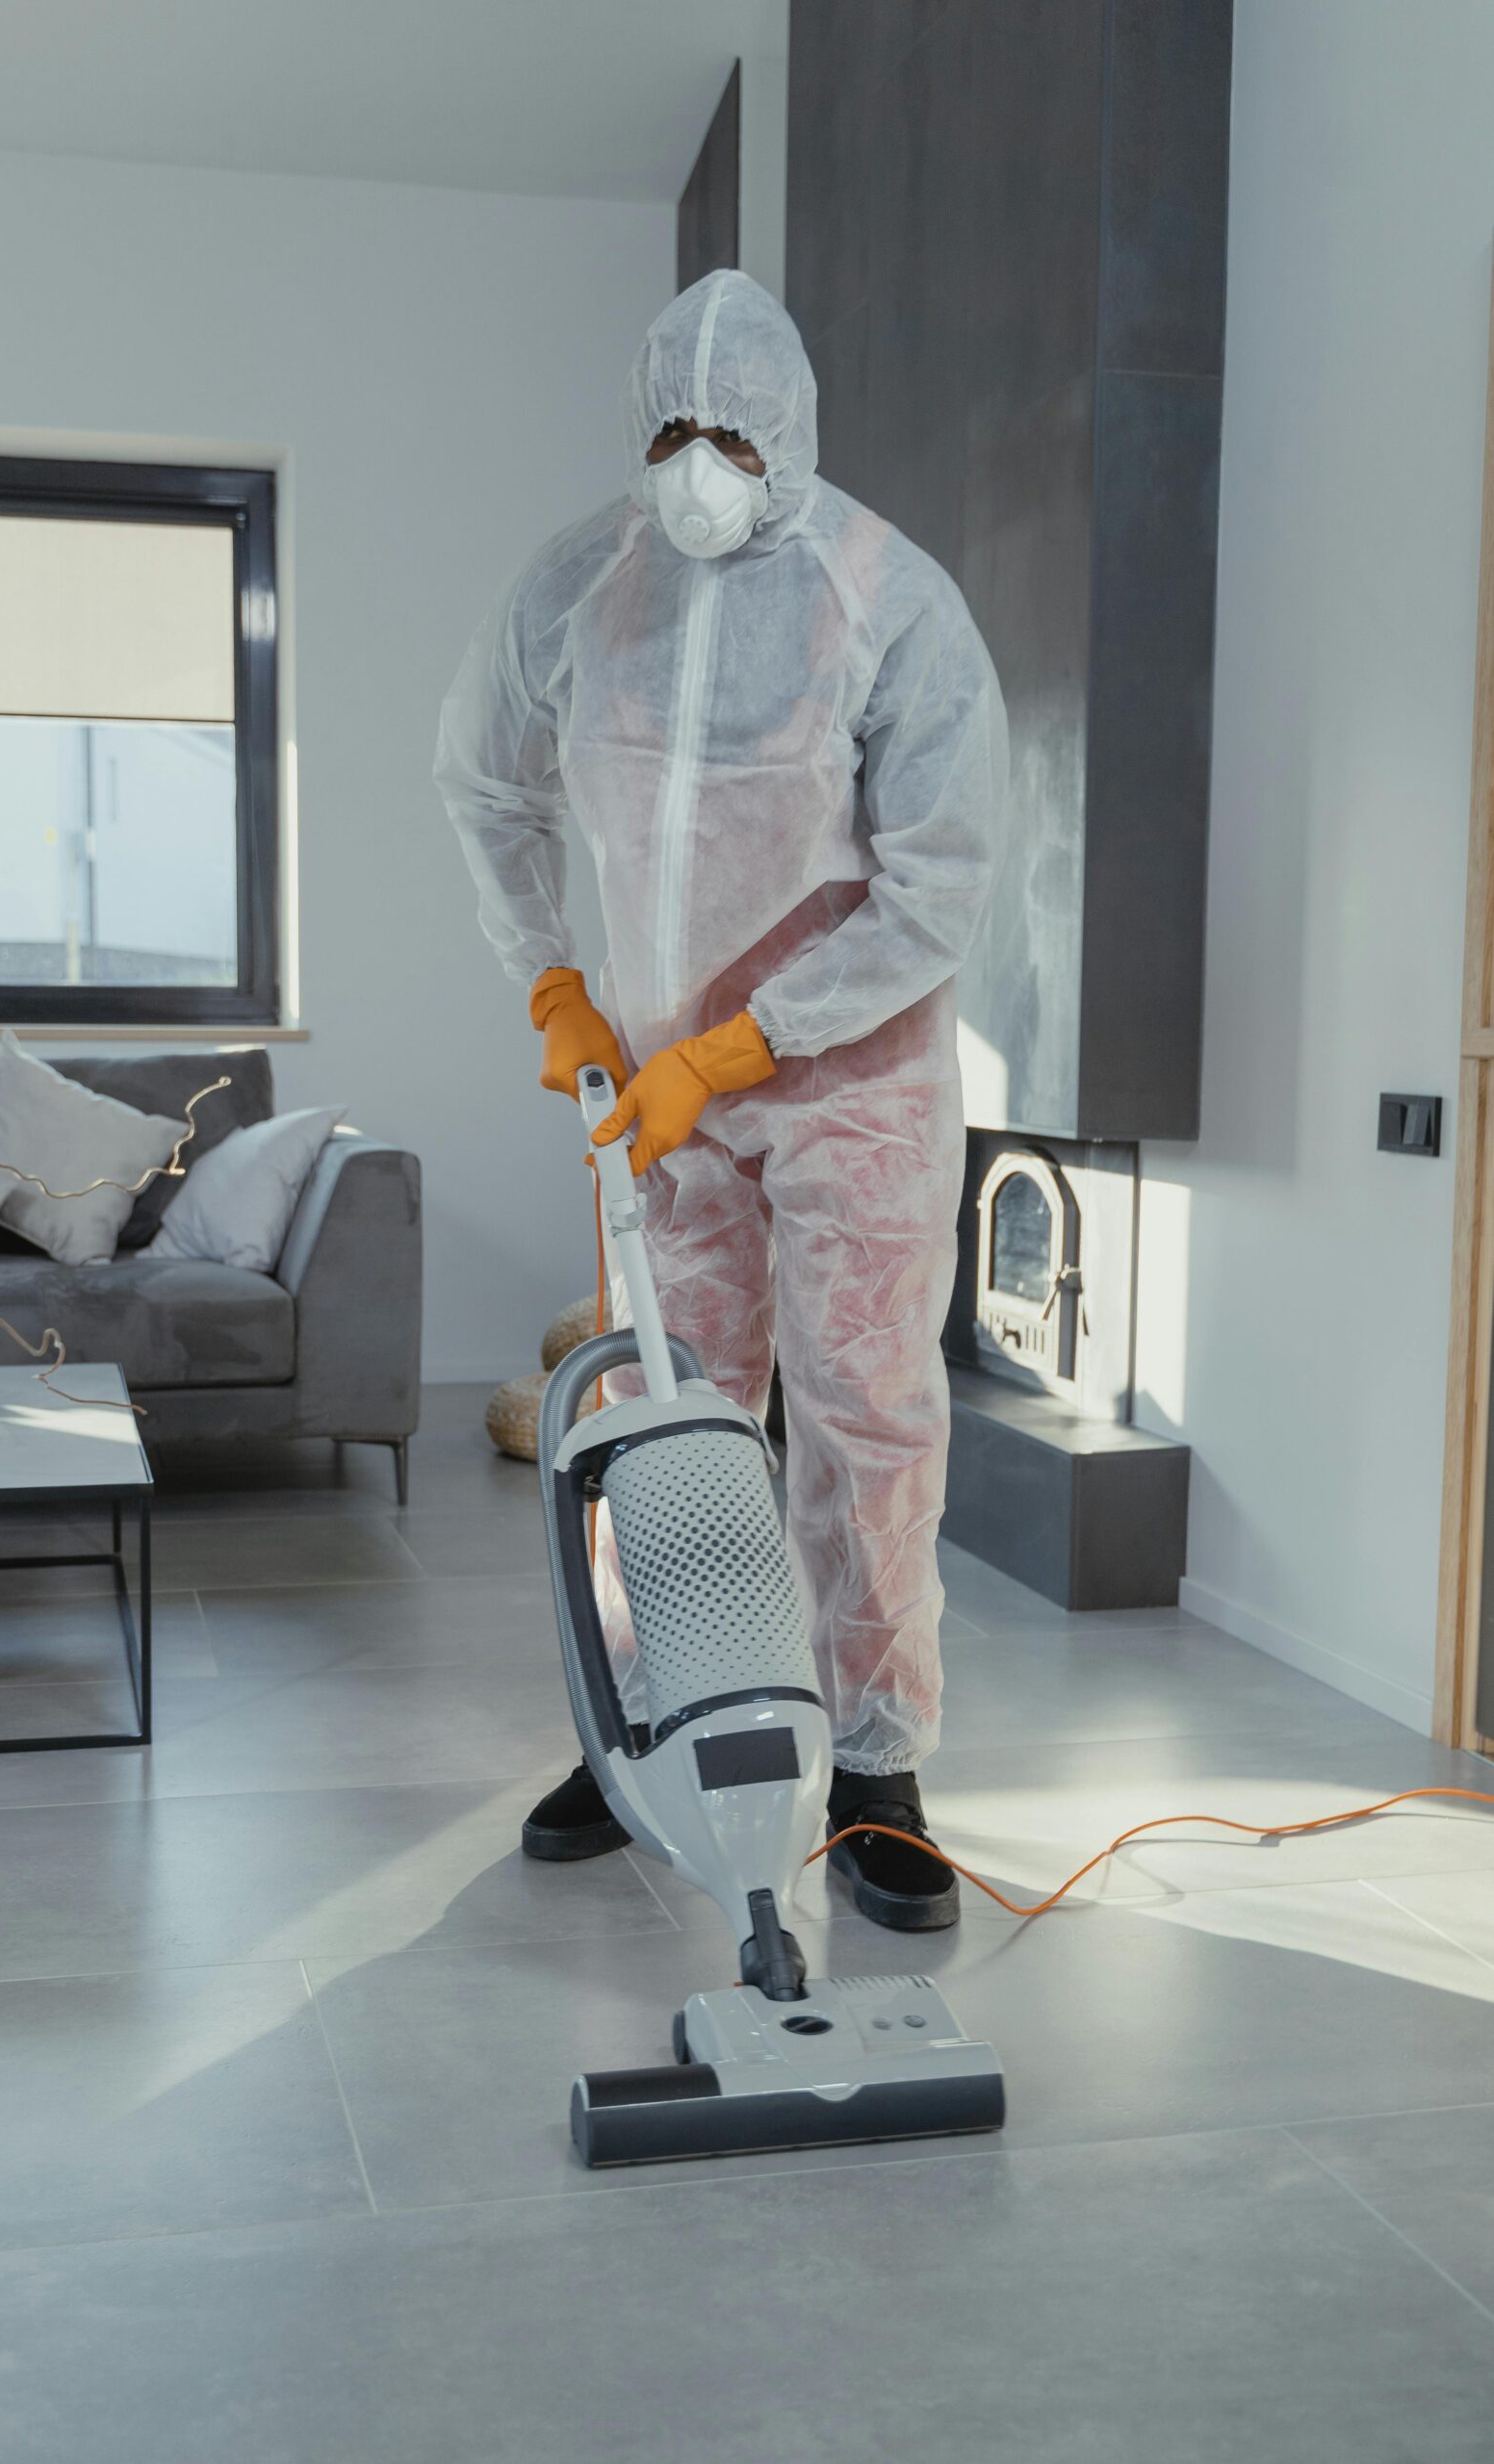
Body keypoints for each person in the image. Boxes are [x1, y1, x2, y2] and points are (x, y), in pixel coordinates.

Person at [435, 270, 1007, 1931]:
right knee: (659, 1421)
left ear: (793, 433)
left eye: (731, 434)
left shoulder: (893, 600)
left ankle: (881, 1771)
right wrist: (556, 981)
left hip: (855, 1086)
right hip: (660, 1102)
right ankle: (642, 1732)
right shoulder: (577, 587)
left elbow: (938, 889)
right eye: (672, 431)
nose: (699, 464)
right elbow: (483, 784)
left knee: (866, 1423)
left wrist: (744, 1046)